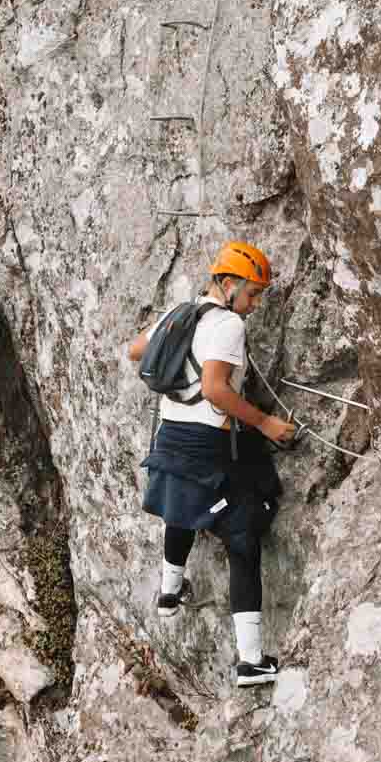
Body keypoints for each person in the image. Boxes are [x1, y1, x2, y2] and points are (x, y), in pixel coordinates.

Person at [125, 241, 295, 687]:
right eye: (252, 293)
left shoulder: (181, 313)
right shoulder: (227, 325)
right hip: (204, 442)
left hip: (170, 433)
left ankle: (169, 591)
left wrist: (179, 362)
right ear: (228, 284)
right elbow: (218, 391)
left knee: (179, 505)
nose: (255, 305)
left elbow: (136, 350)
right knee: (242, 536)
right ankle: (252, 661)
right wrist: (267, 424)